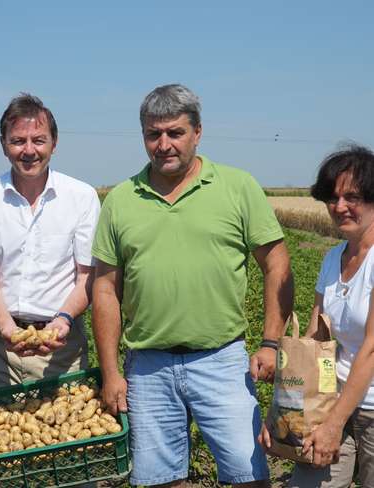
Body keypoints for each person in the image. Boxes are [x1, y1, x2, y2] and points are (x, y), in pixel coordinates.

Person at [91, 83, 294, 487]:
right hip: (148, 366)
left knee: (247, 474)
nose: (163, 144)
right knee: (158, 480)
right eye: (153, 134)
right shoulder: (121, 199)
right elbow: (104, 290)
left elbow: (277, 263)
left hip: (222, 360)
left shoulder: (237, 187)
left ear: (197, 133)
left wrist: (272, 342)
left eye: (175, 133)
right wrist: (111, 372)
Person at [0, 93, 100, 388]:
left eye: (38, 140)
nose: (29, 150)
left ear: (54, 143)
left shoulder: (81, 197)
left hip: (62, 345)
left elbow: (87, 275)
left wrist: (62, 320)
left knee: (65, 428)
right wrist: (7, 328)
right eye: (18, 141)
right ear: (3, 144)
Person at [260, 144, 374, 487]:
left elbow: (371, 349)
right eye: (332, 198)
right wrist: (283, 410)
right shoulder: (332, 258)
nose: (340, 207)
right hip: (332, 399)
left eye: (352, 197)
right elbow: (313, 338)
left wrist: (334, 424)